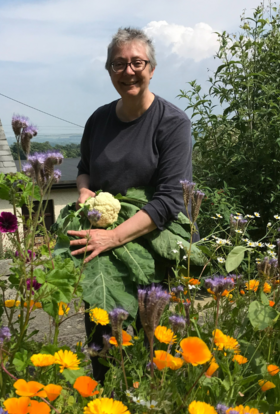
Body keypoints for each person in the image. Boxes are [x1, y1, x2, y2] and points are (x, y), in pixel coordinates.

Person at [67, 27, 193, 382]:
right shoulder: (99, 119)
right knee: (103, 346)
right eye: (119, 64)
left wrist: (113, 237)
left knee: (152, 349)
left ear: (152, 69)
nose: (128, 71)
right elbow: (84, 170)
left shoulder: (172, 123)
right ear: (109, 71)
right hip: (101, 256)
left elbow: (170, 200)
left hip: (151, 251)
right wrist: (83, 191)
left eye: (137, 62)